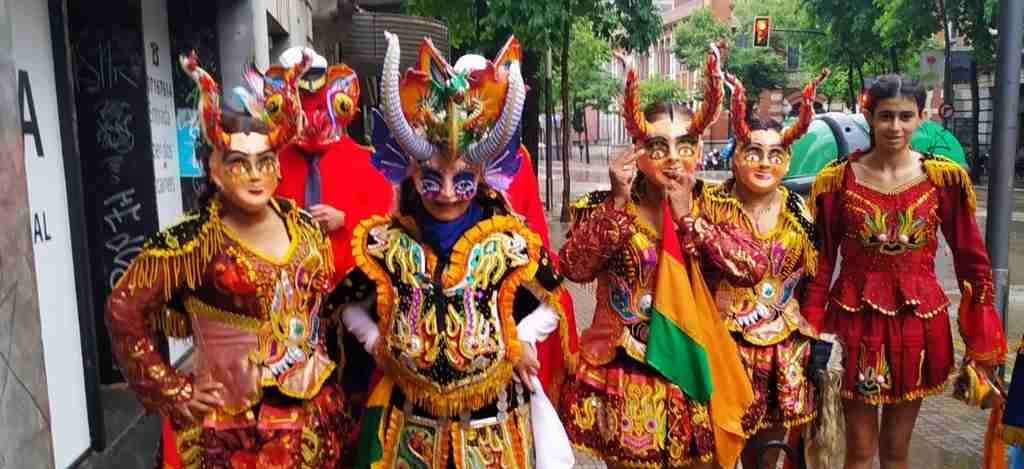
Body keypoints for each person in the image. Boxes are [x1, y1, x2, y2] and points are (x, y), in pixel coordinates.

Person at [328, 33, 573, 469]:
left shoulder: (507, 242)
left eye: (461, 180)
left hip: (492, 433)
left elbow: (551, 302)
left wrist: (518, 340)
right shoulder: (386, 244)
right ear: (409, 174)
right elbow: (348, 305)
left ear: (482, 177)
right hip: (412, 435)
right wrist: (375, 342)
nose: (445, 194)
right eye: (430, 178)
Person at [106, 52, 353, 468]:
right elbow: (122, 310)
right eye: (239, 164)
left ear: (277, 169)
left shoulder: (307, 228)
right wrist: (173, 389)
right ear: (214, 171)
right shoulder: (193, 241)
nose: (254, 176)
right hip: (232, 432)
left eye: (264, 162)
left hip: (314, 420)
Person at [558, 43, 762, 469]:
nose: (673, 159)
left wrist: (690, 221)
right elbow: (574, 266)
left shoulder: (718, 207)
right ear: (636, 150)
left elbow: (752, 268)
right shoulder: (605, 206)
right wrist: (617, 203)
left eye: (685, 146)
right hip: (626, 367)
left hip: (696, 361)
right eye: (658, 147)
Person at [804, 74, 1007, 469]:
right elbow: (821, 261)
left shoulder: (943, 179)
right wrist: (809, 331)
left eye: (904, 116)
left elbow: (971, 260)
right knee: (860, 452)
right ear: (868, 117)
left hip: (919, 323)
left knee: (896, 452)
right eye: (884, 116)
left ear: (921, 117)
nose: (894, 127)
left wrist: (981, 340)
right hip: (851, 323)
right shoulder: (836, 179)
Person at [693, 70, 829, 469]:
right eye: (753, 152)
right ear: (735, 156)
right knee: (715, 453)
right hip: (720, 346)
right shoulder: (708, 204)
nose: (765, 163)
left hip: (780, 353)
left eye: (776, 154)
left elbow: (812, 276)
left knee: (767, 457)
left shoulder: (799, 211)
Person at [269, 46, 394, 282]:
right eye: (300, 111)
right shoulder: (270, 164)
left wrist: (346, 219)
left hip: (349, 295)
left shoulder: (367, 162)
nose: (310, 122)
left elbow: (388, 224)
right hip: (286, 295)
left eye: (318, 108)